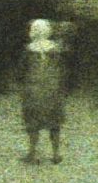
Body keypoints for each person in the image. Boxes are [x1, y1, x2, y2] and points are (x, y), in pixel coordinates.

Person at [20, 19, 67, 164]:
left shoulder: (28, 50)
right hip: (52, 89)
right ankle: (55, 154)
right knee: (54, 123)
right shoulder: (56, 50)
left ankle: (33, 153)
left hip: (33, 89)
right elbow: (63, 71)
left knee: (33, 123)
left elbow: (22, 71)